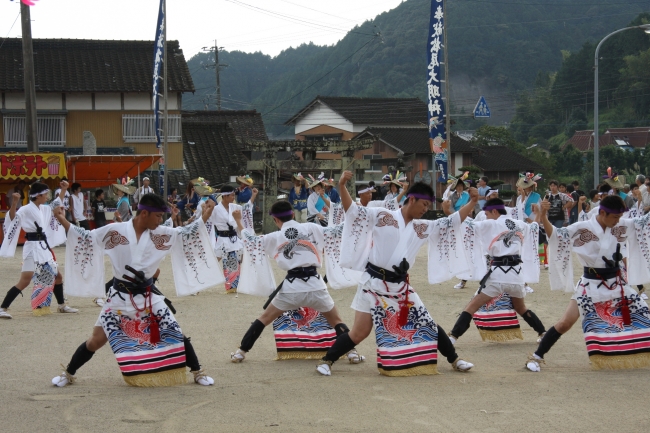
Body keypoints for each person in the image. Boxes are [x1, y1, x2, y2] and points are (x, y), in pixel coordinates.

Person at [315, 171, 476, 377]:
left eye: (428, 206)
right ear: (412, 199)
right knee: (360, 332)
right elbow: (352, 210)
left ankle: (454, 359)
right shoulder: (383, 216)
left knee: (427, 323)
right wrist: (342, 186)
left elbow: (452, 221)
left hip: (400, 286)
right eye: (424, 205)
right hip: (372, 283)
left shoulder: (422, 227)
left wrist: (472, 202)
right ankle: (327, 360)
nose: (425, 210)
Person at [50, 193, 221, 387]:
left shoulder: (161, 234)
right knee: (96, 340)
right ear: (145, 213)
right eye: (157, 216)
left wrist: (206, 214)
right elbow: (86, 237)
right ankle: (69, 373)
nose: (160, 221)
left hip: (148, 295)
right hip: (119, 297)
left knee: (175, 332)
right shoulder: (115, 230)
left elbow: (189, 233)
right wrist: (61, 218)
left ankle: (197, 371)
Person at [230, 200, 364, 364]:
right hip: (316, 285)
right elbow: (336, 231)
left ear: (276, 220)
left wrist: (238, 221)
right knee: (336, 321)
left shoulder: (276, 236)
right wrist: (354, 214)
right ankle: (352, 352)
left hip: (291, 289)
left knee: (264, 318)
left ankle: (241, 352)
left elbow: (251, 240)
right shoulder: (311, 228)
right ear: (293, 214)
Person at [526, 194, 650, 372]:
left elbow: (645, 222)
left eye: (619, 217)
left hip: (617, 283)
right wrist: (544, 216)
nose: (618, 220)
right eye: (614, 217)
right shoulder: (581, 228)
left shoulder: (623, 225)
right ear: (602, 213)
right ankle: (537, 356)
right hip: (590, 283)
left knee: (643, 313)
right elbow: (556, 235)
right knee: (565, 323)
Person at [448, 198, 546, 344]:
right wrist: (539, 213)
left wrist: (448, 210)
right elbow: (534, 228)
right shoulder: (519, 224)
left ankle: (453, 336)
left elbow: (464, 223)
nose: (486, 217)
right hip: (517, 276)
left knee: (472, 306)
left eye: (487, 214)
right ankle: (542, 332)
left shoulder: (491, 223)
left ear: (494, 211)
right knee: (521, 308)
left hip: (498, 275)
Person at [0, 181, 77, 319]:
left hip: (43, 247)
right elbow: (12, 219)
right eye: (46, 194)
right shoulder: (25, 209)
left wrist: (64, 189)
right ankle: (2, 307)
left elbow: (57, 203)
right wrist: (14, 203)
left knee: (58, 276)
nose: (47, 196)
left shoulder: (44, 208)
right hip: (32, 248)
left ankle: (62, 305)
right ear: (39, 195)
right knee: (25, 280)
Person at [208, 184, 257, 294]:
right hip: (222, 238)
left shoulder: (236, 208)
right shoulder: (215, 209)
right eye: (231, 195)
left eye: (233, 195)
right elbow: (206, 219)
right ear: (225, 196)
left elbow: (247, 209)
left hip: (234, 238)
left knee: (243, 258)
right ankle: (199, 281)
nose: (233, 197)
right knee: (212, 261)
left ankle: (237, 284)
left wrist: (253, 196)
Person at [445, 175, 471, 289]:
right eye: (458, 186)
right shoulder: (452, 196)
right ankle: (463, 278)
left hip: (468, 220)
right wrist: (457, 215)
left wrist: (468, 210)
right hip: (457, 219)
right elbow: (450, 208)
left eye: (461, 186)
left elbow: (474, 207)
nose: (460, 188)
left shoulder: (467, 196)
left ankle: (465, 279)